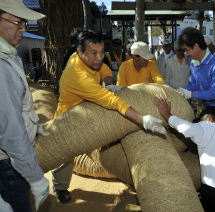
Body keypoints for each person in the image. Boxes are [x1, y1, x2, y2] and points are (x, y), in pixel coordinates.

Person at [53, 30, 166, 203]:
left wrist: (107, 83)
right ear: (80, 52)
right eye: (94, 53)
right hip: (68, 119)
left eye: (101, 52)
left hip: (89, 111)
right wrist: (142, 119)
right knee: (64, 157)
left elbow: (105, 70)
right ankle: (60, 187)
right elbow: (112, 101)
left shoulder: (89, 60)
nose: (99, 57)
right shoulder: (78, 77)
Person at [154, 98, 215, 212]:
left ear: (208, 118)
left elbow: (186, 127)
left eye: (200, 121)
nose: (199, 124)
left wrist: (167, 114)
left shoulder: (209, 127)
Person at [0, 1, 49, 211]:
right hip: (8, 165)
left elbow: (12, 107)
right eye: (18, 23)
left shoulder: (9, 55)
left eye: (24, 24)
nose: (23, 30)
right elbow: (11, 133)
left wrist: (33, 124)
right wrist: (36, 178)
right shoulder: (2, 68)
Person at [177, 27, 215, 135]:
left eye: (186, 50)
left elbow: (214, 93)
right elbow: (193, 83)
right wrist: (184, 91)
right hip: (208, 106)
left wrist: (191, 94)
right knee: (209, 137)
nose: (185, 53)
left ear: (196, 46)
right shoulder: (194, 63)